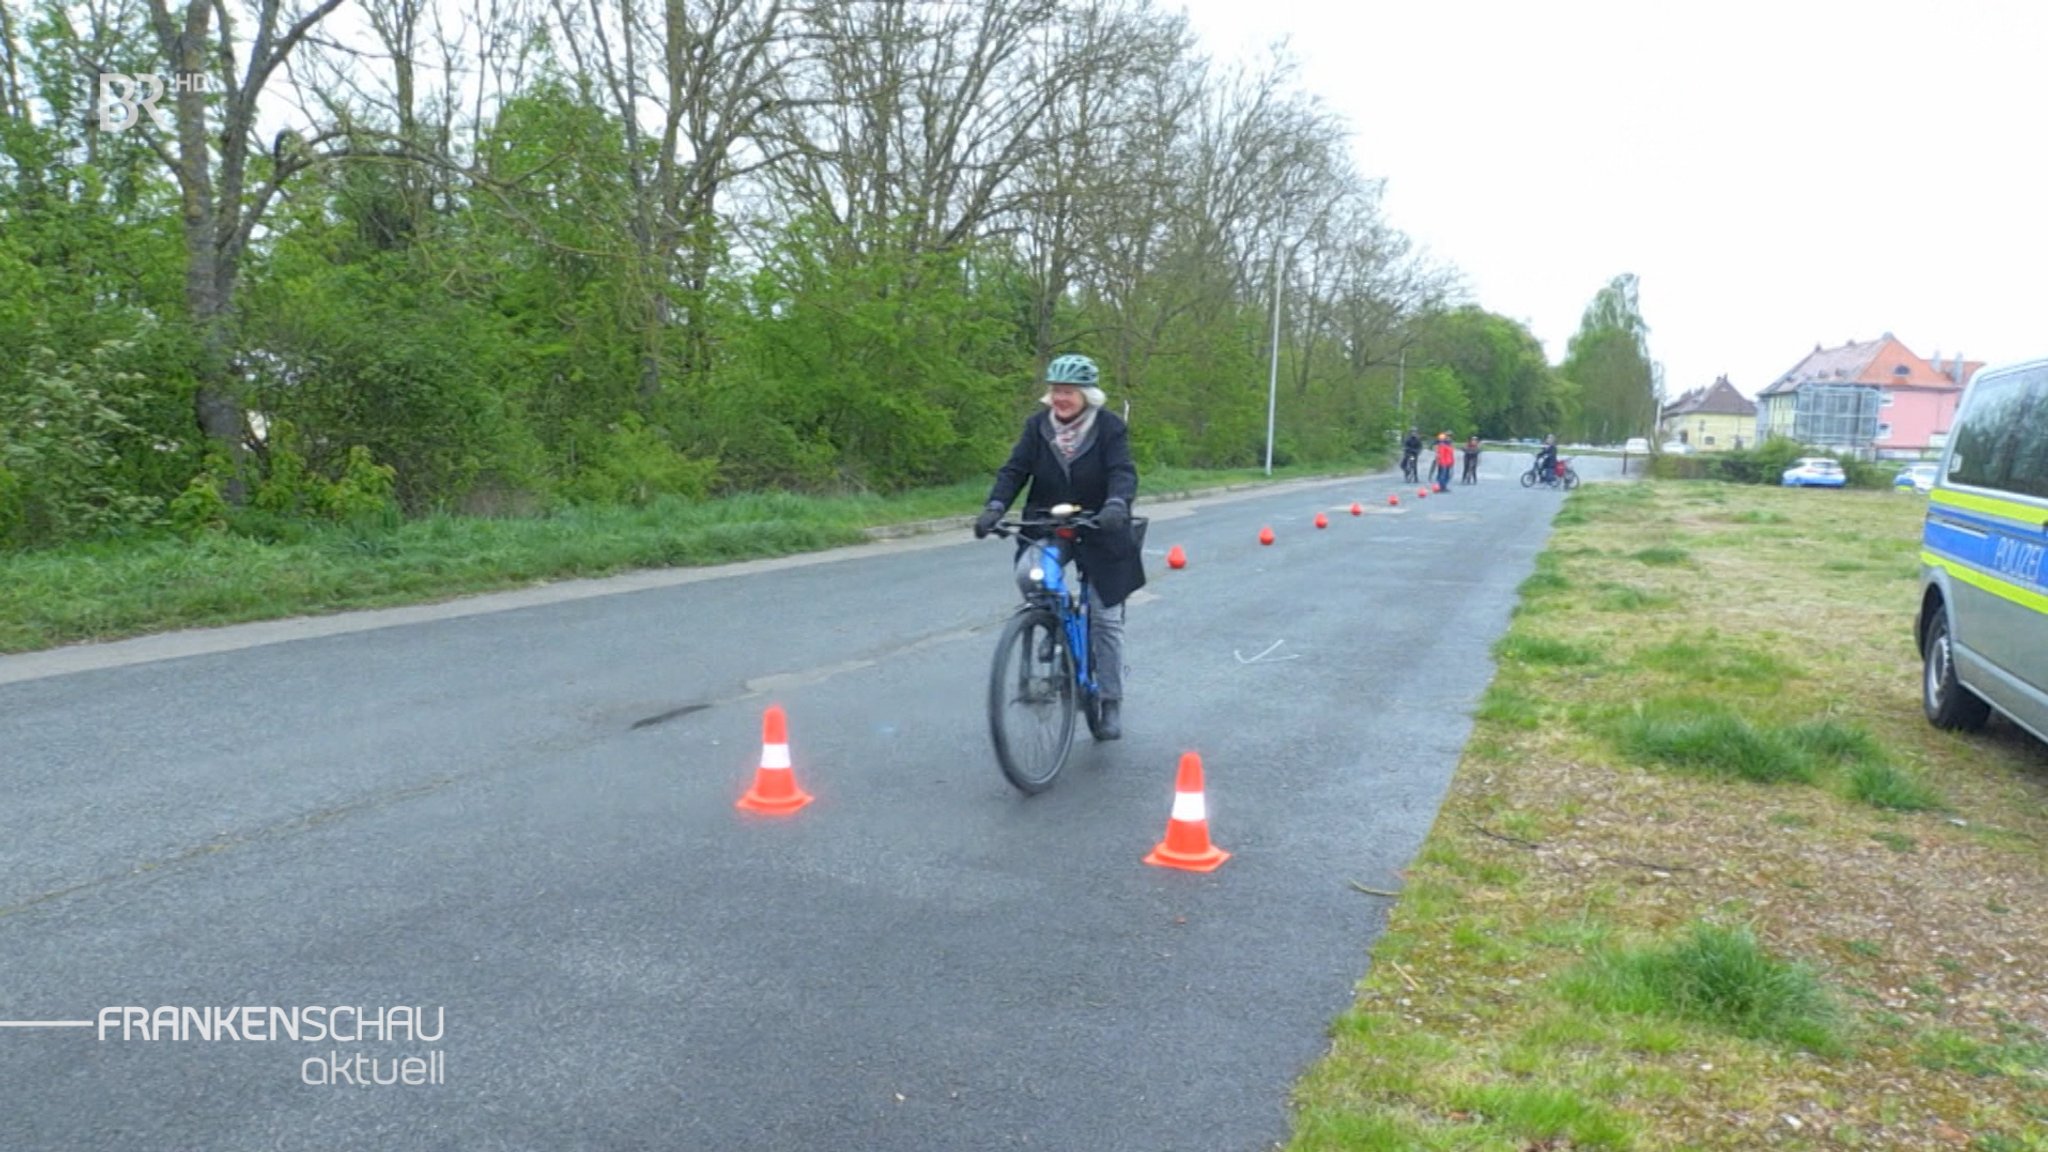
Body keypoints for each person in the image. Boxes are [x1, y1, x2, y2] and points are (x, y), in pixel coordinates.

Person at [974, 353, 1145, 740]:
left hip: (1100, 525)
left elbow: (1122, 471)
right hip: (1047, 521)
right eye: (1055, 391)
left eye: (1068, 391)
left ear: (1088, 394)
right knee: (1030, 574)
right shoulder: (1038, 427)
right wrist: (995, 505)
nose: (1060, 398)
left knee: (1104, 617)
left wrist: (1117, 504)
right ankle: (1053, 620)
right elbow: (1015, 469)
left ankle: (1110, 698)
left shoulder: (1109, 427)